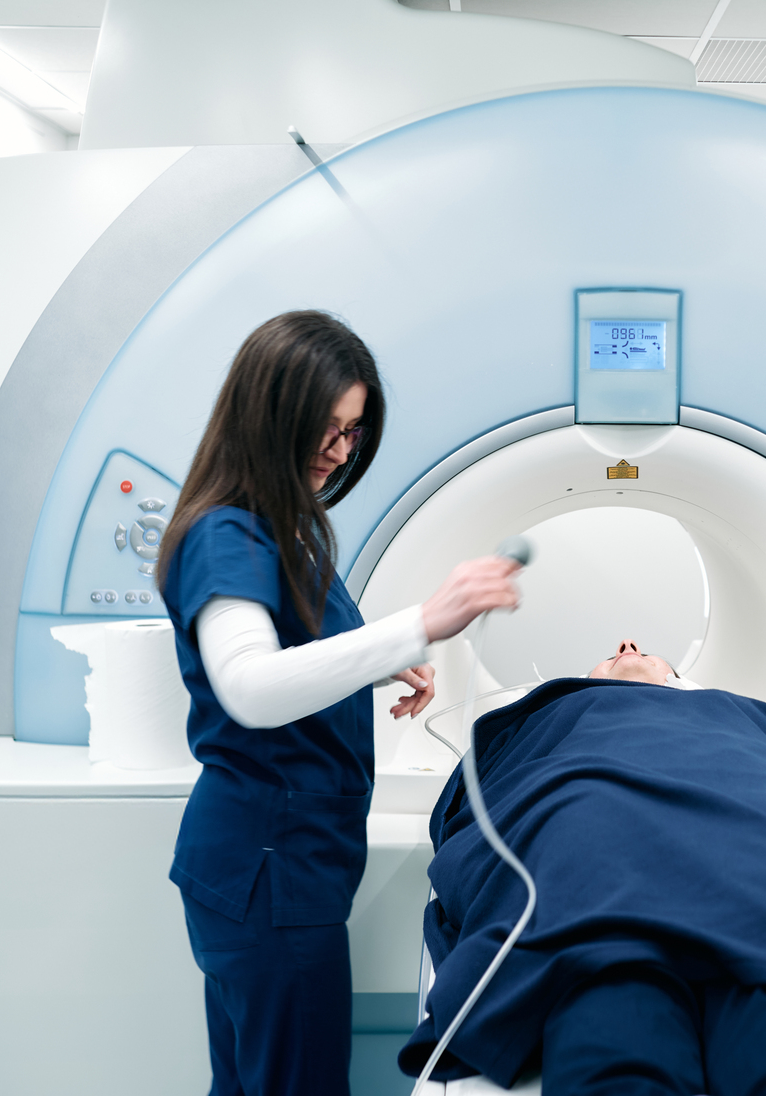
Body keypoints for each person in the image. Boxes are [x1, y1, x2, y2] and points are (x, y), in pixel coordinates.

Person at [156, 310, 522, 1096]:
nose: (338, 449)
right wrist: (421, 624)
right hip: (268, 869)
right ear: (267, 416)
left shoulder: (287, 528)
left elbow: (297, 648)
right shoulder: (228, 535)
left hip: (275, 868)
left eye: (354, 432)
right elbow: (252, 686)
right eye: (324, 427)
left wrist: (384, 665)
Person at [401, 636, 766, 1096]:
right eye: (610, 654)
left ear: (681, 681)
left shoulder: (742, 713)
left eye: (645, 649)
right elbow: (483, 798)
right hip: (587, 832)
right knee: (618, 998)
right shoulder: (550, 717)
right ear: (579, 684)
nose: (628, 646)